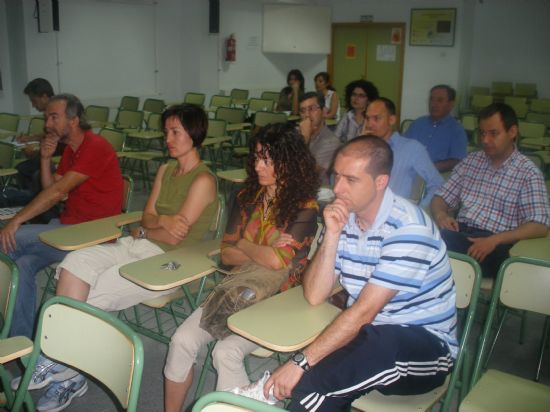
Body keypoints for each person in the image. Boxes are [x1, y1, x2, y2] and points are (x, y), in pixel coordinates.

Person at [11, 104, 219, 412]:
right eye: (166, 132)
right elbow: (149, 218)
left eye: (175, 132)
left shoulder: (204, 180)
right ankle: (66, 364)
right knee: (74, 265)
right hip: (138, 243)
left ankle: (65, 368)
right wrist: (158, 222)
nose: (168, 139)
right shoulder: (164, 170)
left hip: (168, 263)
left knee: (96, 293)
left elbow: (173, 236)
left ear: (195, 133)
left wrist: (151, 226)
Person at [265, 135, 457, 411]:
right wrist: (331, 235)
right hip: (369, 334)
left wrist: (301, 362)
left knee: (312, 384)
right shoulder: (346, 217)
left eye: (351, 180)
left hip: (424, 348)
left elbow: (365, 312)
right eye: (336, 176)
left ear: (381, 182)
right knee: (318, 380)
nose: (337, 189)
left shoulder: (409, 229)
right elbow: (315, 294)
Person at [164, 123, 320, 412]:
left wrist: (246, 246)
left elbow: (278, 263)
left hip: (280, 298)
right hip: (236, 290)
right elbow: (226, 254)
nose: (258, 166)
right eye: (257, 157)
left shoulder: (305, 207)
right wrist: (265, 245)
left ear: (289, 162)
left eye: (268, 159)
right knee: (181, 340)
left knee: (226, 352)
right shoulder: (246, 197)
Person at [1, 93, 123, 340]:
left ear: (73, 120)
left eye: (53, 117)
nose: (47, 124)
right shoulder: (71, 150)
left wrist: (16, 220)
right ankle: (20, 340)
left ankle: (15, 334)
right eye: (47, 117)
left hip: (92, 235)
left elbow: (57, 193)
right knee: (21, 264)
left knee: (7, 243)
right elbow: (52, 189)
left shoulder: (95, 146)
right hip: (68, 227)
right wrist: (45, 159)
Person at [431, 103, 549, 278]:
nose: (485, 140)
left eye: (493, 133)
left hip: (496, 243)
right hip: (461, 233)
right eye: (482, 133)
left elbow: (539, 226)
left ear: (512, 132)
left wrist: (495, 240)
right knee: (429, 238)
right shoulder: (471, 162)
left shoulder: (528, 173)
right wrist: (441, 215)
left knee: (434, 247)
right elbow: (440, 198)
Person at [363, 97, 443, 207]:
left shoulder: (412, 148)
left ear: (391, 120)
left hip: (394, 214)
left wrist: (419, 212)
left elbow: (437, 184)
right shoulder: (362, 147)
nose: (369, 124)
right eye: (367, 118)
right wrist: (359, 145)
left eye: (376, 118)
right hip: (361, 210)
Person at [405, 85, 467, 172]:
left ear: (451, 104)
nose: (433, 104)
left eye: (440, 100)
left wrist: (427, 168)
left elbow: (457, 161)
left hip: (437, 177)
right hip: (409, 172)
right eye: (431, 99)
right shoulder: (418, 123)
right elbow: (404, 147)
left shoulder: (456, 130)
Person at [298, 92, 341, 184]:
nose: (307, 115)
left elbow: (307, 170)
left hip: (317, 190)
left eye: (312, 109)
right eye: (303, 111)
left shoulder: (332, 142)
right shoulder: (294, 134)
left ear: (324, 112)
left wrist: (304, 138)